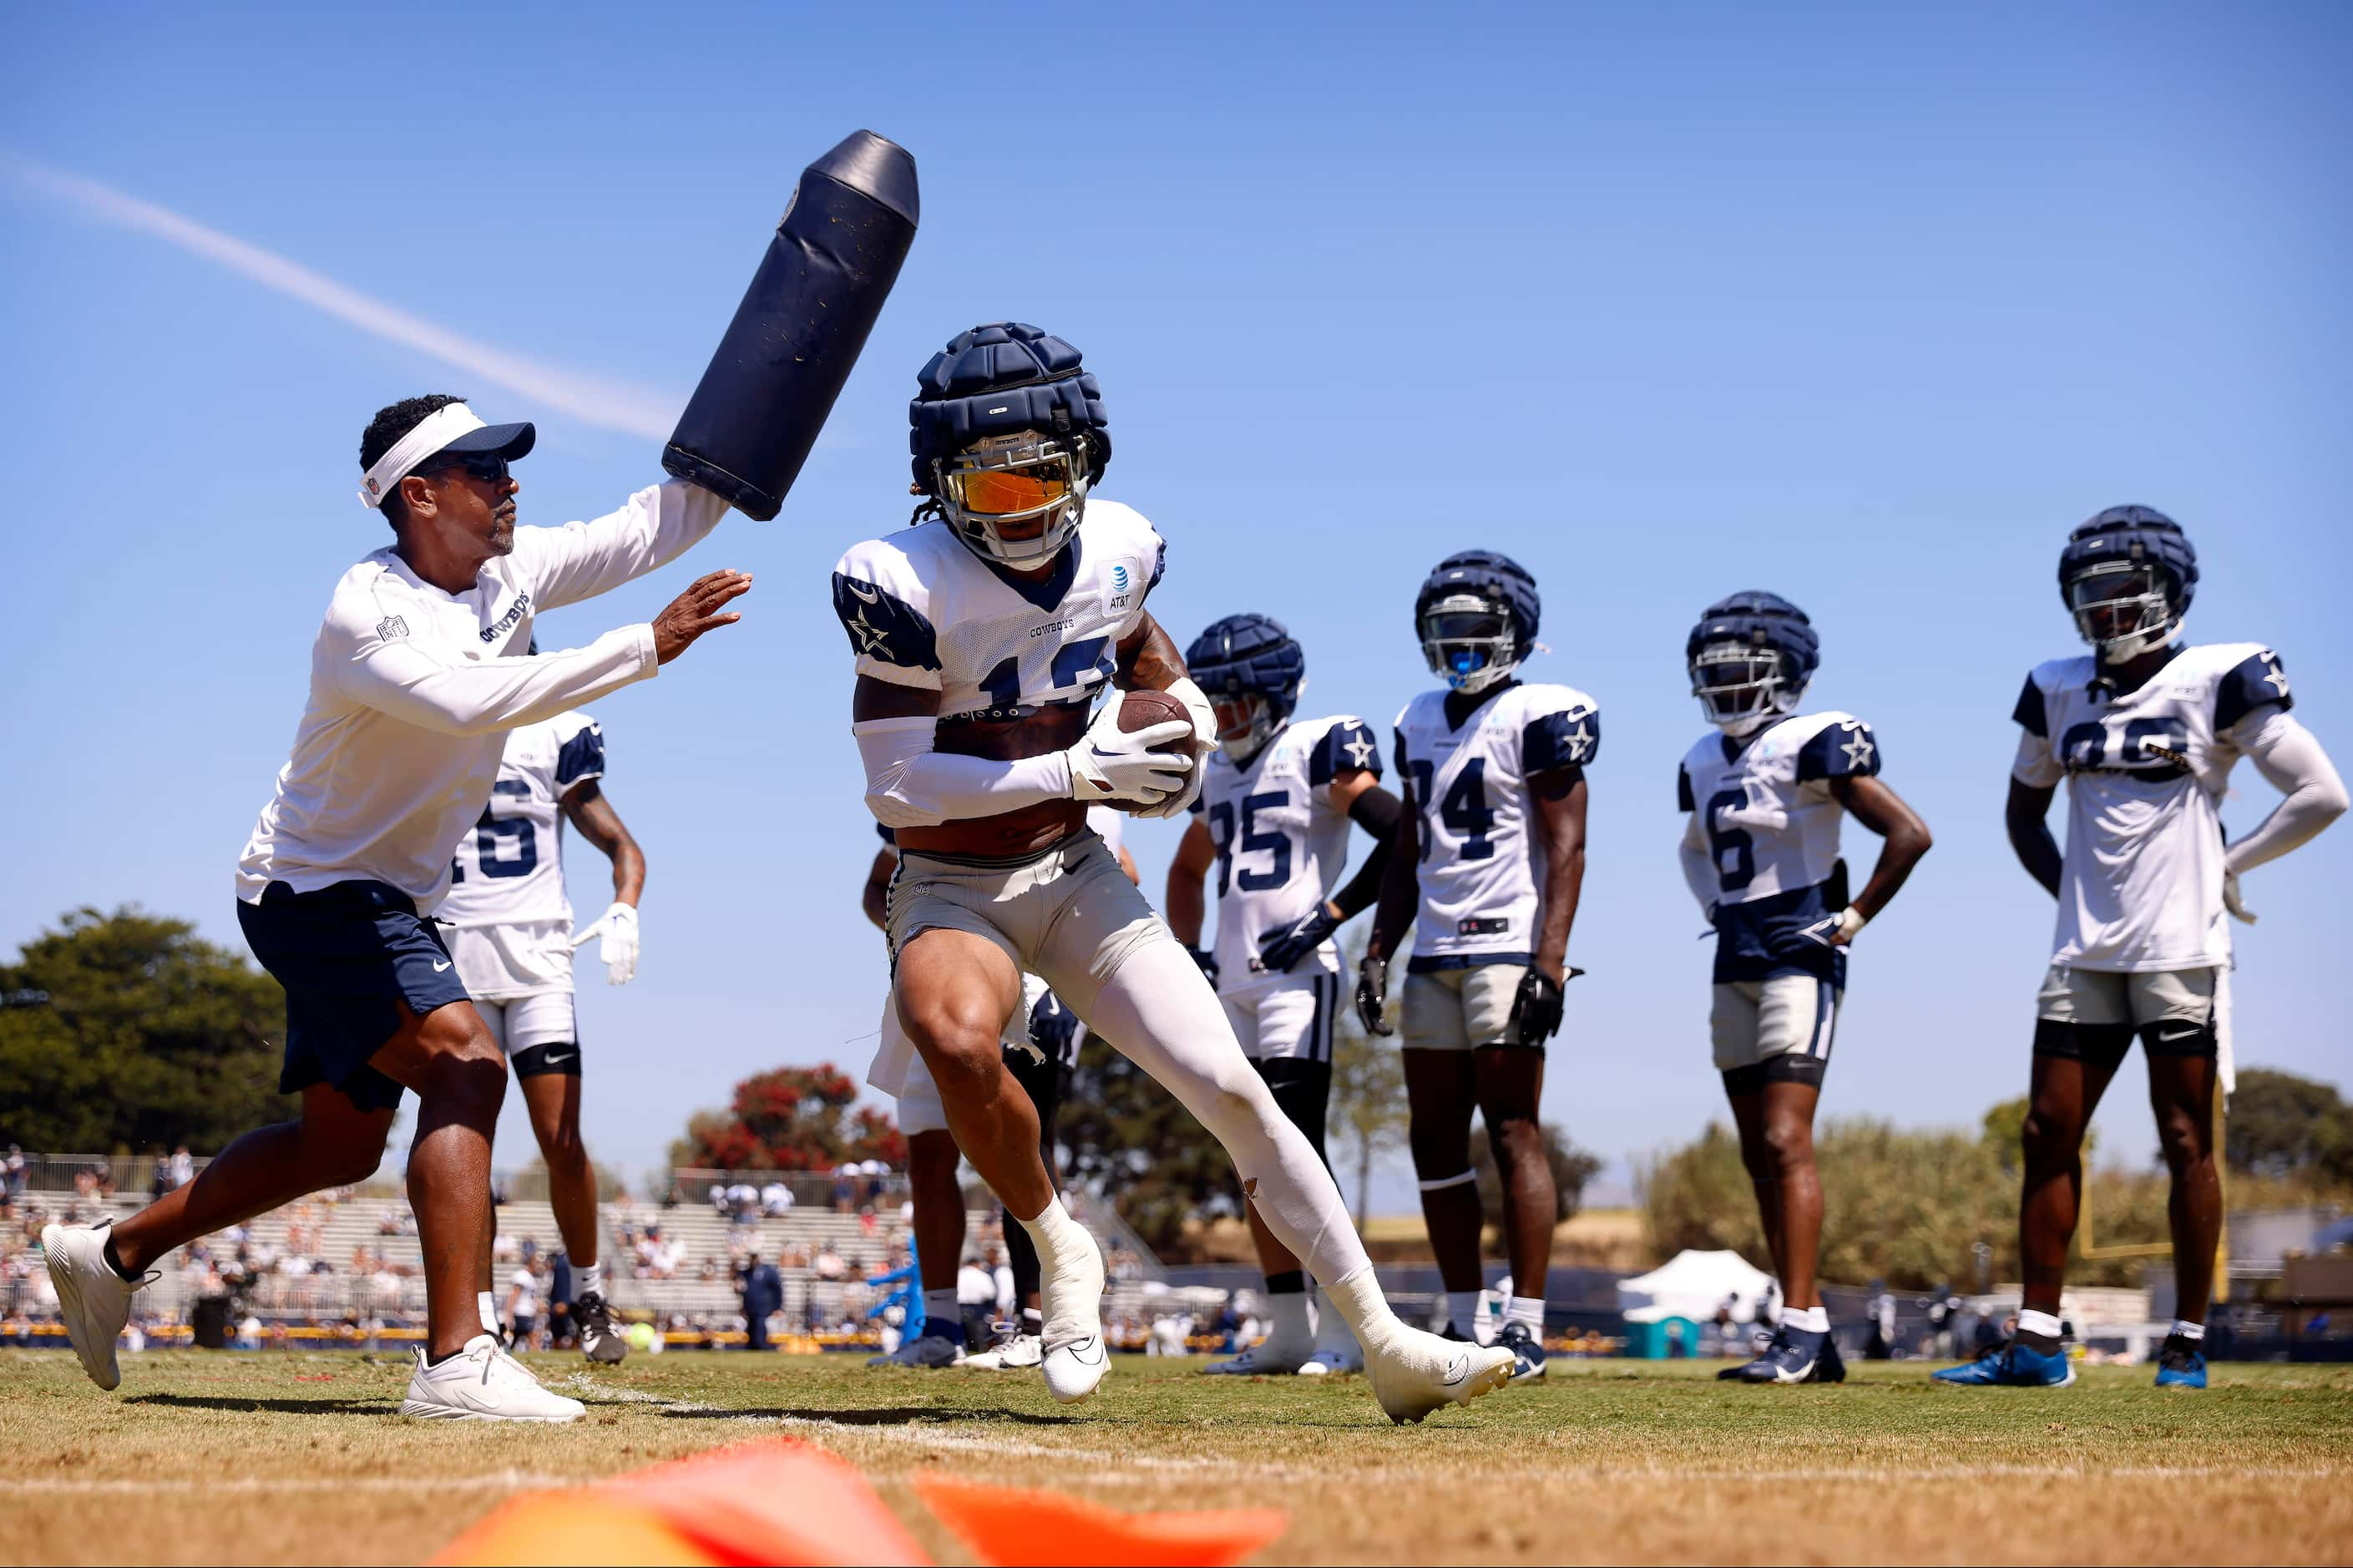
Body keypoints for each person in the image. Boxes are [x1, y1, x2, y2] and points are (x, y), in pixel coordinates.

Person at [834, 322, 1512, 1419]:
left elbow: (1158, 664)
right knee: (952, 1037)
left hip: (1077, 867)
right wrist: (1072, 761)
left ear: (1084, 463)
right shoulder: (900, 580)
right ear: (937, 483)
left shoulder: (1116, 548)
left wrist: (1178, 730)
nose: (1017, 504)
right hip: (953, 881)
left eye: (1040, 475)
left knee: (1234, 1089)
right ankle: (1062, 1250)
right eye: (987, 480)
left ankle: (1384, 1338)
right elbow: (898, 787)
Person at [40, 395, 749, 1421]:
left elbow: (650, 526)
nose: (511, 487)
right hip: (315, 891)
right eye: (485, 472)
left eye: (507, 470)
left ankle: (112, 1253)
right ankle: (457, 1360)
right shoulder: (365, 612)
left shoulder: (510, 569)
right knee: (468, 1063)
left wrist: (761, 426)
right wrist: (644, 646)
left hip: (380, 895)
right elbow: (471, 699)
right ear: (419, 495)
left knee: (338, 1148)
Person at [1937, 507, 2345, 1392]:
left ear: (2169, 594)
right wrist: (2072, 898)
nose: (2107, 611)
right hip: (2084, 952)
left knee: (2184, 1138)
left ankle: (2186, 1342)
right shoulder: (2053, 685)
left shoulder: (2217, 675)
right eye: (2091, 596)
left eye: (2125, 593)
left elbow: (2321, 793)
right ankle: (2039, 1341)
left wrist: (2227, 865)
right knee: (2047, 1129)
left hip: (2177, 948)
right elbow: (2021, 812)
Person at [1676, 592, 1932, 1386]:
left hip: (1799, 951)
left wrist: (1850, 918)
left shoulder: (1814, 738)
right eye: (1712, 673)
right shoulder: (1699, 758)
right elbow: (1692, 849)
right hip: (1736, 956)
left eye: (1739, 672)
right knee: (1758, 1151)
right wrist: (1714, 907)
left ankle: (1796, 1322)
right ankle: (1809, 1329)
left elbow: (1909, 832)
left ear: (1783, 674)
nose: (1723, 687)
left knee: (1787, 1141)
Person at [1357, 551, 1597, 1387]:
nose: (1458, 648)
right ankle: (1466, 1319)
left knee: (1510, 1129)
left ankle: (1526, 1325)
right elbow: (1409, 843)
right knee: (1431, 1139)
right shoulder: (1417, 716)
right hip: (1434, 950)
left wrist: (1550, 962)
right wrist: (1379, 947)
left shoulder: (1540, 711)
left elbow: (1567, 847)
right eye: (1444, 633)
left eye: (1474, 632)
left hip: (1506, 945)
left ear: (1514, 635)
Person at [1165, 615, 1402, 1377]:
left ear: (1270, 696)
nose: (1220, 714)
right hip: (1233, 981)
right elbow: (1185, 871)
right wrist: (1191, 955)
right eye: (1213, 699)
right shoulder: (1221, 774)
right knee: (1250, 1154)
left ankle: (1343, 1326)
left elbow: (1401, 834)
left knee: (1297, 1149)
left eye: (1231, 699)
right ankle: (1287, 1328)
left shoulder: (1316, 750)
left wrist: (1328, 916)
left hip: (1300, 976)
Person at [863, 810, 1137, 1371]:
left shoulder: (1064, 780)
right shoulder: (940, 778)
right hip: (943, 978)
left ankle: (1038, 1320)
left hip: (1032, 984)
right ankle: (938, 1325)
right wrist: (917, 936)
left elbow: (1123, 874)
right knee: (927, 1146)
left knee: (1023, 1141)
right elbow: (878, 881)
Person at [438, 665, 641, 1367]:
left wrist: (625, 906)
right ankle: (478, 1313)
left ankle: (587, 1295)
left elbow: (623, 846)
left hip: (538, 958)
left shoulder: (553, 728)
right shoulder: (425, 718)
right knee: (468, 1150)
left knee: (560, 1137)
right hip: (452, 956)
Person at [739, 1251, 782, 1352]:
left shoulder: (769, 1271)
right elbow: (742, 1289)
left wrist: (777, 1306)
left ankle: (760, 1346)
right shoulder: (747, 1273)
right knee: (751, 1328)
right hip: (750, 1307)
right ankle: (752, 1347)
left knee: (759, 1327)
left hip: (763, 1307)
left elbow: (778, 1289)